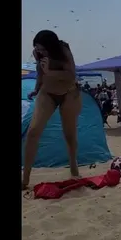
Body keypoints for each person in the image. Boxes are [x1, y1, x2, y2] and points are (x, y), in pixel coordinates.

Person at [23, 30, 80, 190]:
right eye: (37, 48)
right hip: (47, 93)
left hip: (69, 93)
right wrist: (36, 88)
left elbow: (70, 75)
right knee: (33, 132)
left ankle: (73, 168)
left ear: (51, 46)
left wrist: (50, 72)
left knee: (69, 135)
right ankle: (25, 178)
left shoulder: (63, 50)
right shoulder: (38, 53)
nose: (39, 51)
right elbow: (41, 71)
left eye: (42, 49)